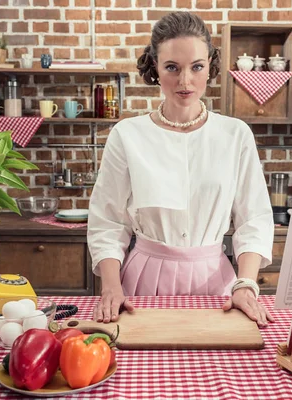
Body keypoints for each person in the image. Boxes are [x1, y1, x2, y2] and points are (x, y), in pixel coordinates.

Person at [87, 11, 274, 327]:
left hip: (218, 284)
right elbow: (108, 220)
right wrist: (110, 286)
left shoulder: (235, 134)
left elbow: (253, 219)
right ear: (155, 68)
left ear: (210, 68)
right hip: (141, 282)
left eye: (196, 67)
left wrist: (246, 285)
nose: (185, 81)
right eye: (172, 67)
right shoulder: (127, 134)